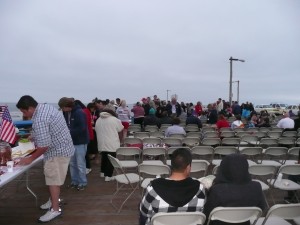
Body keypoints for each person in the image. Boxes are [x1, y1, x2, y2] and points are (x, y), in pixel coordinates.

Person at [16, 95, 75, 222]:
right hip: (64, 148)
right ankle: (53, 200)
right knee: (54, 179)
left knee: (53, 180)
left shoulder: (40, 119)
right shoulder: (46, 107)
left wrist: (30, 159)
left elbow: (44, 146)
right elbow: (47, 130)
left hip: (57, 153)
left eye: (24, 111)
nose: (24, 114)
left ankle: (55, 210)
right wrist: (33, 136)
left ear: (31, 108)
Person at [139, 148, 206, 225]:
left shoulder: (153, 188)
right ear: (188, 167)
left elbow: (144, 216)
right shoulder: (200, 189)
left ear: (172, 166)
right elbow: (202, 215)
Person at [204, 154, 267, 225]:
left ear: (223, 169)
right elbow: (261, 208)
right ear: (245, 168)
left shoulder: (217, 190)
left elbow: (207, 213)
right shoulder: (256, 187)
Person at [58, 97, 89, 191]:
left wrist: (68, 132)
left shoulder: (79, 113)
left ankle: (82, 182)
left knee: (80, 163)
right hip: (71, 142)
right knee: (72, 163)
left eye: (63, 107)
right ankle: (74, 181)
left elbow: (82, 128)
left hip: (80, 142)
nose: (62, 110)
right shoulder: (66, 113)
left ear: (67, 106)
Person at [95, 109, 124, 181]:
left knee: (104, 158)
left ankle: (102, 172)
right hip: (112, 142)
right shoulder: (114, 119)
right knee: (111, 159)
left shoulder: (98, 119)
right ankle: (108, 176)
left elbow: (96, 129)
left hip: (101, 142)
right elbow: (120, 128)